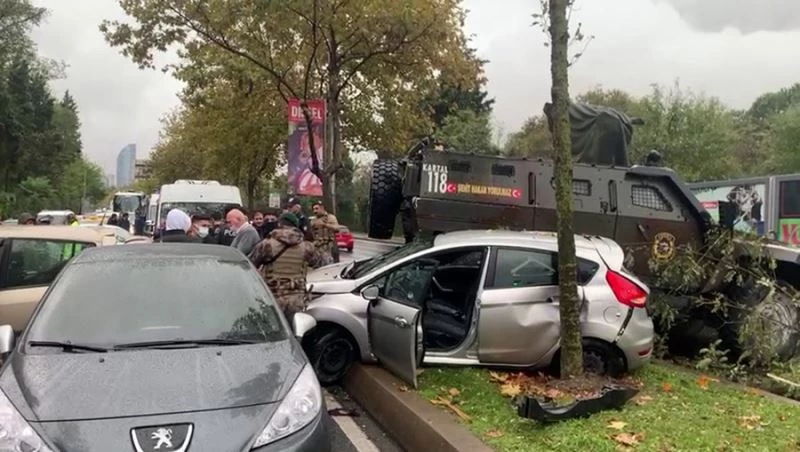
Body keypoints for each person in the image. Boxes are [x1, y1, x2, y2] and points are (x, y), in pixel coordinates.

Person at [248, 213, 327, 321]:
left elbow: (249, 265)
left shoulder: (267, 245)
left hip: (272, 297)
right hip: (297, 298)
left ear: (279, 224)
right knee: (296, 328)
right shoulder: (307, 247)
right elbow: (324, 263)